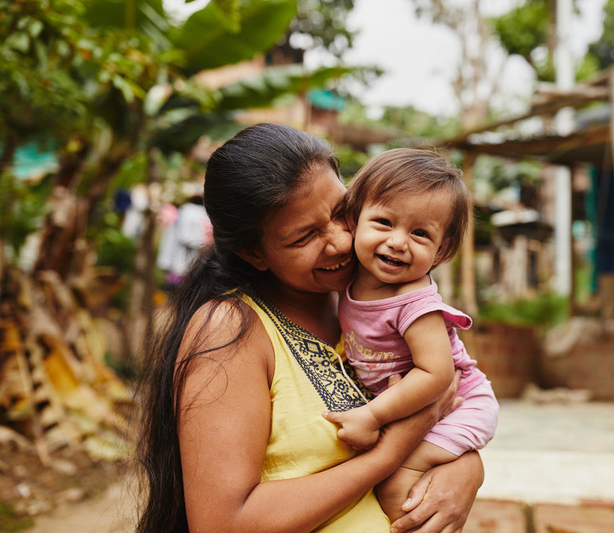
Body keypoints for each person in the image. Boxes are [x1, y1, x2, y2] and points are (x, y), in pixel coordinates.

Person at [135, 123, 484, 533]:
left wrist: (467, 468)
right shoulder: (230, 329)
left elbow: (454, 402)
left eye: (342, 213)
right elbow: (222, 523)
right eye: (305, 236)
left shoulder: (367, 301)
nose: (338, 242)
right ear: (254, 253)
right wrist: (390, 453)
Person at [323, 149, 499, 521]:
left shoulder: (414, 302)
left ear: (442, 249)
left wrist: (372, 416)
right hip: (421, 406)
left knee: (394, 488)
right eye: (384, 222)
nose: (398, 242)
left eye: (420, 233)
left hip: (461, 406)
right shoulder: (349, 279)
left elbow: (437, 375)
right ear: (353, 220)